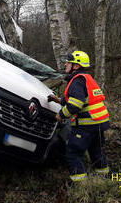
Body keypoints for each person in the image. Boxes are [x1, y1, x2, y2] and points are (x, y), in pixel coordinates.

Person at [48, 51, 110, 182]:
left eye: (68, 62)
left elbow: (76, 104)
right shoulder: (87, 78)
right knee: (96, 152)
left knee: (73, 153)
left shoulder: (77, 81)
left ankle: (81, 185)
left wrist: (60, 115)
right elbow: (80, 98)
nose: (66, 64)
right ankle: (105, 178)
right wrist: (59, 100)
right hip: (99, 123)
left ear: (76, 66)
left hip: (86, 125)